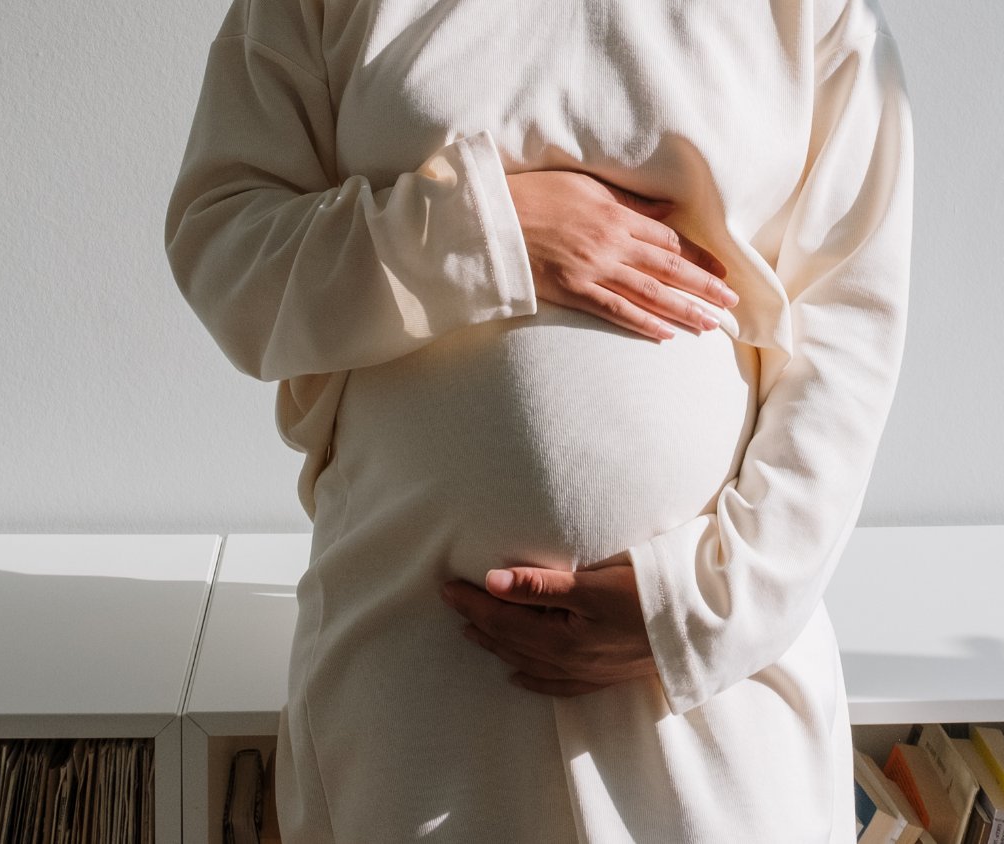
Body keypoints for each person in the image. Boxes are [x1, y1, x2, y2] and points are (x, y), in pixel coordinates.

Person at [163, 0, 914, 838]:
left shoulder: (815, 16)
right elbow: (225, 247)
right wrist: (488, 228)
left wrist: (701, 613)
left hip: (707, 706)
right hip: (416, 680)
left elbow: (847, 342)